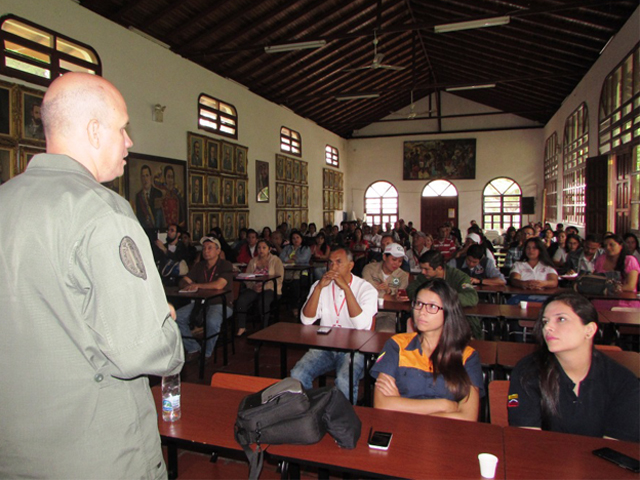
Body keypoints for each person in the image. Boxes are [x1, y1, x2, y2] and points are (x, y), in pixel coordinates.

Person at [0, 72, 184, 478]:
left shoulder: (5, 201)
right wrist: (165, 326)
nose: (129, 141)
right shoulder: (102, 211)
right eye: (123, 128)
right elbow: (142, 348)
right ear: (95, 130)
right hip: (96, 453)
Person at [508, 293, 639, 442]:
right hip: (545, 461)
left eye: (561, 319)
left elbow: (616, 450)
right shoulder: (528, 371)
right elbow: (528, 441)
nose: (548, 327)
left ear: (589, 330)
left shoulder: (623, 382)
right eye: (545, 321)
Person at [371, 279, 484, 420]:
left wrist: (401, 404)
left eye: (432, 306)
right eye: (418, 304)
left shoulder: (467, 356)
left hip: (447, 433)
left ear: (449, 311)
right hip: (403, 428)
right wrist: (445, 406)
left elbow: (468, 417)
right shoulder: (397, 345)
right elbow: (382, 404)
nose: (421, 312)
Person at [290, 248, 378, 402]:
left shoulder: (366, 289)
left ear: (350, 266)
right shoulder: (320, 285)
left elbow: (361, 325)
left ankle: (343, 422)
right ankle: (308, 412)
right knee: (297, 374)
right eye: (330, 262)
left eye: (338, 262)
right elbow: (306, 320)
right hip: (326, 346)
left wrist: (346, 288)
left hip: (354, 348)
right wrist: (318, 288)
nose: (333, 267)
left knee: (345, 380)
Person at [175, 236, 234, 361]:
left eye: (210, 248)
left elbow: (219, 284)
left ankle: (206, 353)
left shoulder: (225, 264)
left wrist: (196, 285)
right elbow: (183, 281)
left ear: (218, 251)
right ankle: (193, 348)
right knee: (176, 317)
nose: (206, 251)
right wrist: (187, 286)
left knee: (212, 321)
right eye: (204, 248)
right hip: (200, 303)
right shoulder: (199, 266)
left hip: (220, 303)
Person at [407, 250, 481, 338]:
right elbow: (411, 289)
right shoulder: (424, 277)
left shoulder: (459, 277)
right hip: (431, 321)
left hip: (457, 320)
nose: (423, 272)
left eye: (426, 269)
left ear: (439, 268)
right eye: (421, 268)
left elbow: (471, 297)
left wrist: (442, 298)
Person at [235, 239, 284, 336]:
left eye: (264, 248)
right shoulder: (253, 261)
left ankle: (264, 327)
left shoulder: (276, 260)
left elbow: (279, 279)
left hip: (271, 288)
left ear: (269, 249)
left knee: (263, 301)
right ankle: (242, 327)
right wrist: (253, 286)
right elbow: (247, 277)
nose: (261, 250)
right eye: (259, 248)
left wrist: (264, 286)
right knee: (242, 300)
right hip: (255, 288)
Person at [362, 243, 410, 332]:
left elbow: (399, 298)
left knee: (384, 331)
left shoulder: (402, 276)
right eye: (394, 259)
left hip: (389, 314)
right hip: (366, 310)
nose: (397, 264)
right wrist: (390, 296)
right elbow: (368, 292)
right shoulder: (369, 269)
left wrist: (389, 293)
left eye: (400, 261)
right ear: (384, 257)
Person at [592, 234, 640, 309]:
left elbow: (630, 286)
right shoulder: (601, 259)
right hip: (602, 300)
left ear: (621, 245)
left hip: (624, 301)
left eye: (612, 245)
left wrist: (609, 289)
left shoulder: (630, 260)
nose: (608, 248)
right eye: (605, 245)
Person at [280, 230, 312, 315]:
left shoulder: (306, 248)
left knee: (295, 284)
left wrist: (293, 259)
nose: (295, 240)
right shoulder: (287, 248)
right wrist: (290, 259)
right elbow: (281, 257)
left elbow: (304, 259)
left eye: (297, 237)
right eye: (293, 238)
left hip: (301, 272)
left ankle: (295, 307)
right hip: (288, 272)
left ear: (301, 238)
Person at [135, 164, 164, 228]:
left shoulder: (158, 193)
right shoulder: (138, 196)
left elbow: (159, 215)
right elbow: (139, 216)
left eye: (147, 176)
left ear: (150, 177)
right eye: (143, 176)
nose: (145, 179)